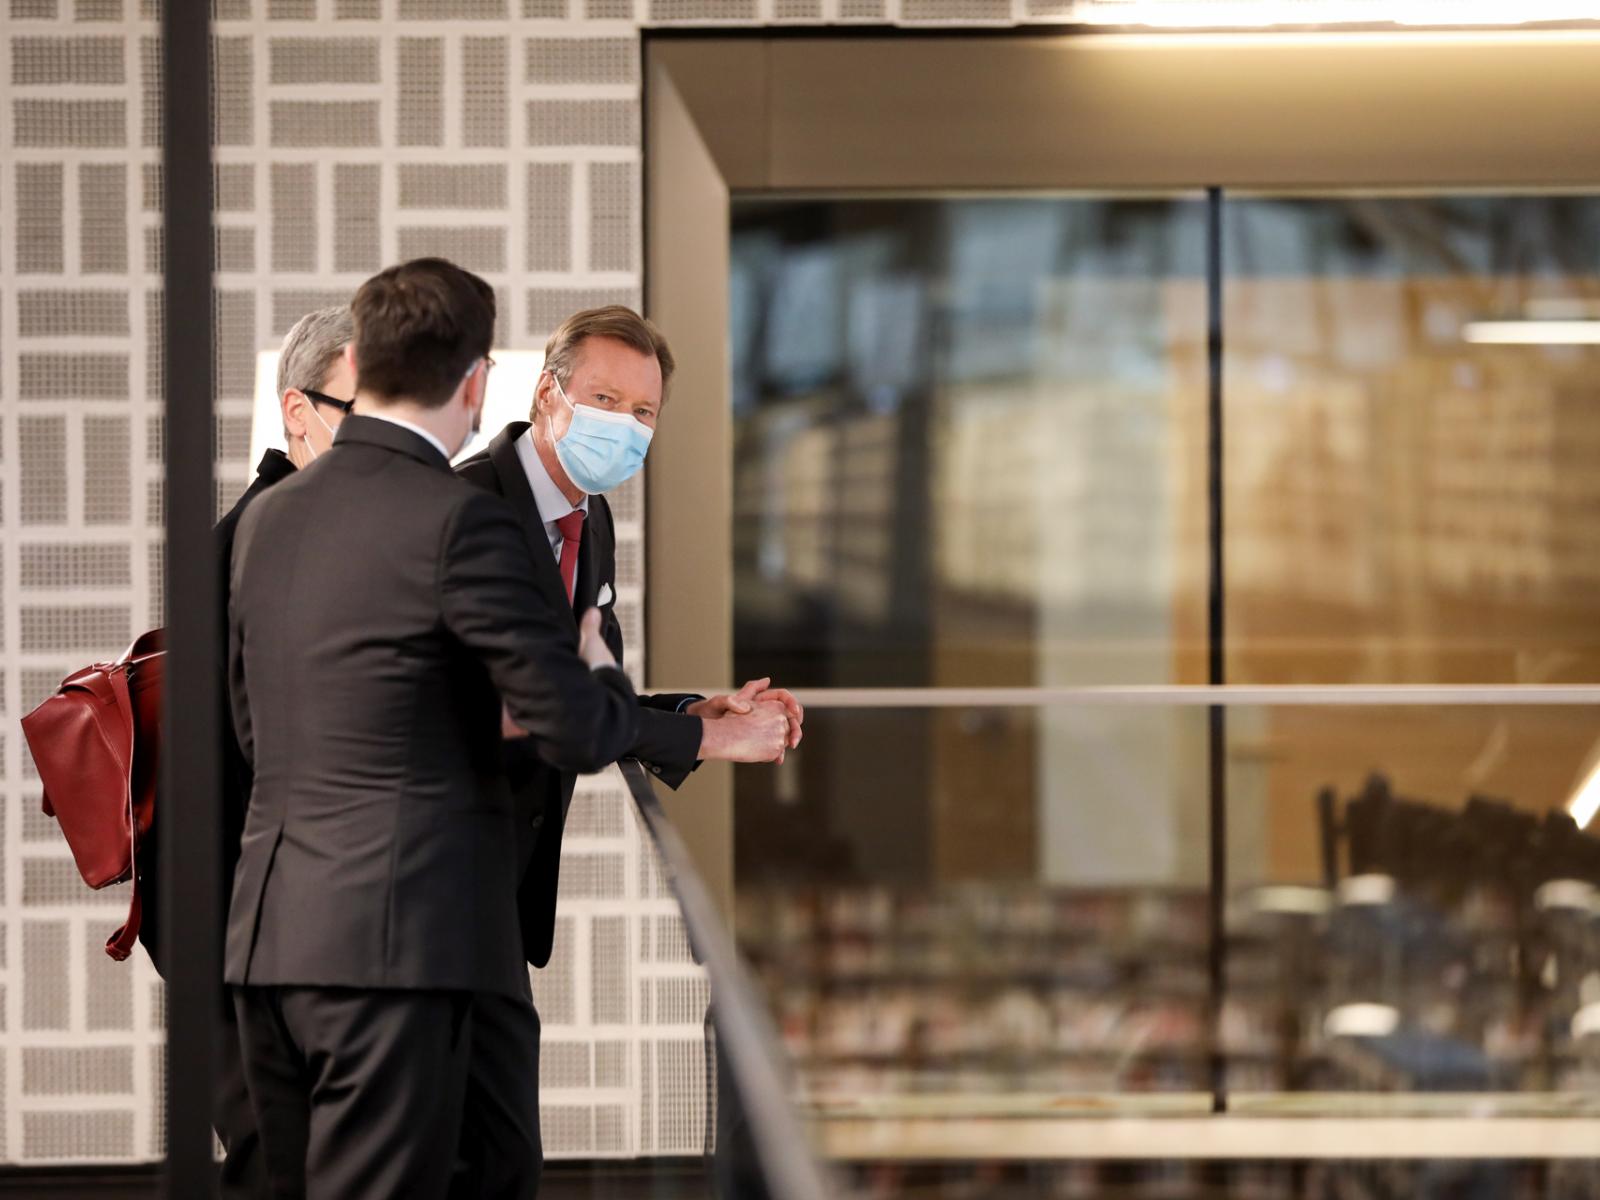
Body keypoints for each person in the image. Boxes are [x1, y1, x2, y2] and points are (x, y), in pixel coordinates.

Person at [226, 258, 638, 1200]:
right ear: (477, 380)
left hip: (269, 942)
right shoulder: (461, 520)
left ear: (363, 364)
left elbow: (259, 727)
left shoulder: (268, 518)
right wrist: (602, 672)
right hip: (395, 950)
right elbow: (575, 730)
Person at [452, 305, 803, 1195]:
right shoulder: (466, 509)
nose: (625, 426)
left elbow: (580, 691)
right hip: (432, 865)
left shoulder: (590, 516)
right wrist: (707, 738)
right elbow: (526, 706)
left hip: (500, 871)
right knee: (468, 1150)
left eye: (644, 414)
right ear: (547, 394)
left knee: (495, 1149)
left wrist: (691, 707)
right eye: (605, 399)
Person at [138, 304, 354, 1199]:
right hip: (239, 928)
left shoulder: (300, 531)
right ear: (297, 414)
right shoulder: (266, 542)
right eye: (361, 414)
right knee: (281, 1166)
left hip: (261, 920)